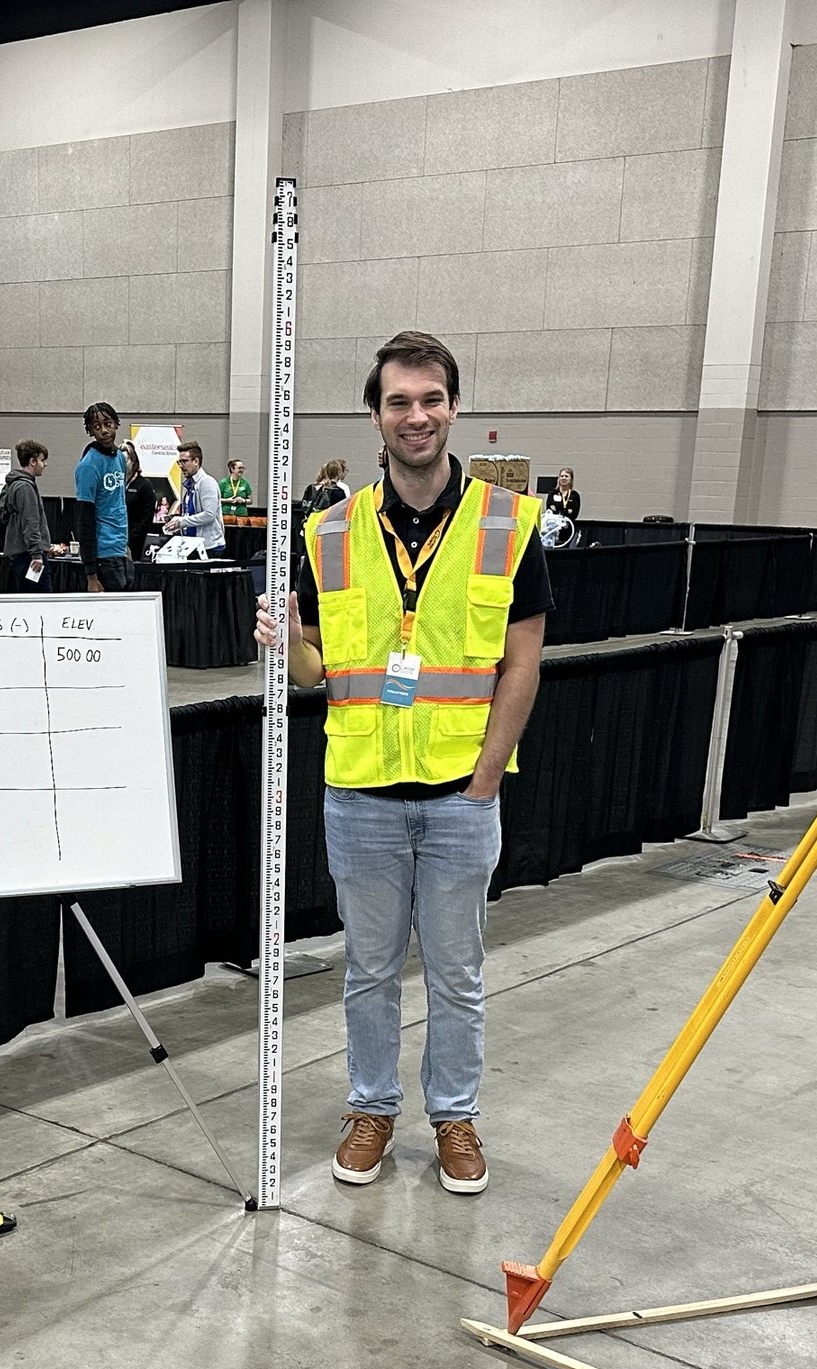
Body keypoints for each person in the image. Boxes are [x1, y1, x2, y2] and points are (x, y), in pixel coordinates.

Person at [255, 330, 550, 1196]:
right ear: (376, 415)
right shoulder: (329, 530)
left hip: (463, 792)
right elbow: (318, 668)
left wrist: (488, 775)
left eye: (431, 400)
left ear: (453, 408)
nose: (416, 416)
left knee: (457, 972)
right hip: (361, 791)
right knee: (370, 968)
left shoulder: (508, 521)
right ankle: (371, 1108)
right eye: (399, 402)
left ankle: (454, 1117)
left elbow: (523, 660)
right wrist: (286, 646)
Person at [74, 402, 132, 593]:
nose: (104, 431)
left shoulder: (120, 459)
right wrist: (91, 574)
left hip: (121, 550)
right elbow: (85, 521)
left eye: (108, 424)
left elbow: (119, 504)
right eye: (97, 427)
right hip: (103, 555)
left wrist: (126, 547)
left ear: (116, 424)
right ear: (90, 431)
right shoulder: (88, 466)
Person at [0, 439, 55, 590]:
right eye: (43, 460)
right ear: (32, 461)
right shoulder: (25, 487)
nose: (45, 464)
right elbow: (30, 522)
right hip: (29, 556)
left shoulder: (13, 484)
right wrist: (36, 553)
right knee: (40, 600)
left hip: (20, 553)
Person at [164, 439, 224, 557]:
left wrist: (182, 521)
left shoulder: (207, 483)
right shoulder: (190, 484)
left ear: (196, 461)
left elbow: (209, 515)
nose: (181, 466)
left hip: (209, 547)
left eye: (184, 461)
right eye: (179, 462)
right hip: (194, 545)